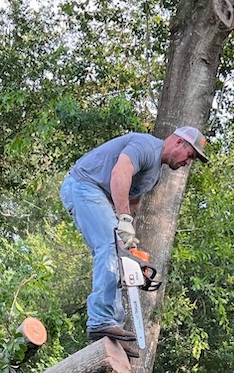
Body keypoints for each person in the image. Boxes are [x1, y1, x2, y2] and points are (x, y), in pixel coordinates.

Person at [60, 126, 208, 347]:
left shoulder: (156, 175)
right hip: (84, 186)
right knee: (109, 247)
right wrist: (123, 220)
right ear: (178, 143)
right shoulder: (146, 146)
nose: (188, 163)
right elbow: (120, 173)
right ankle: (100, 321)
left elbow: (132, 204)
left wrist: (130, 248)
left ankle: (113, 327)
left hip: (98, 195)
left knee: (118, 254)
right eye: (190, 155)